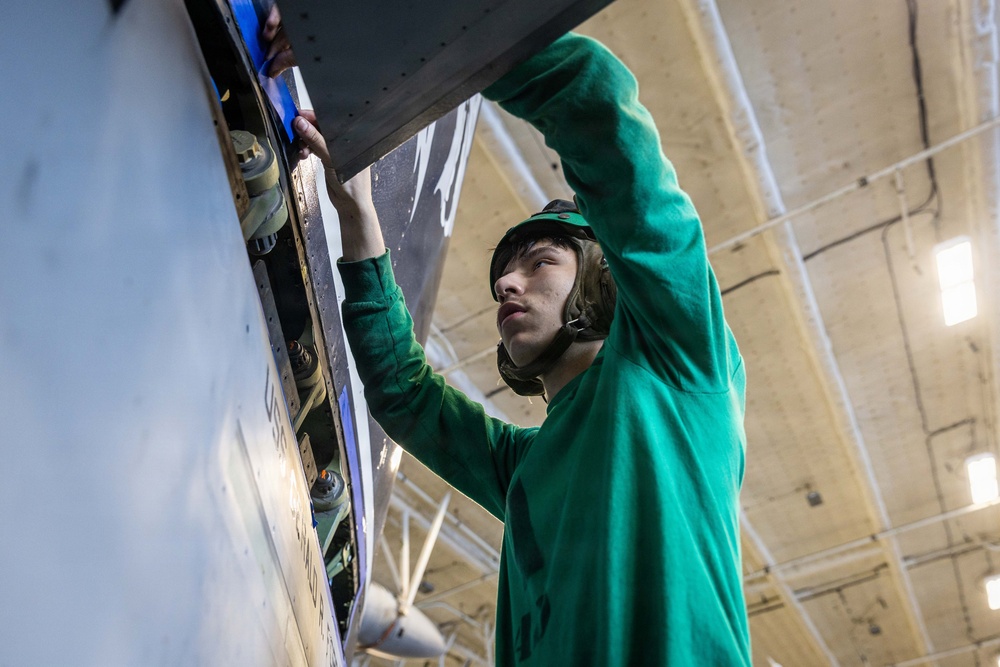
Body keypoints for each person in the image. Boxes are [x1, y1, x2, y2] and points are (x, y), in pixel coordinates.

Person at [289, 24, 750, 667]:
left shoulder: (677, 358)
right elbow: (405, 394)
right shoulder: (522, 469)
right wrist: (358, 215)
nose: (506, 281)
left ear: (599, 274)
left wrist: (383, 34)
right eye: (506, 270)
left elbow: (598, 110)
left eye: (540, 263)